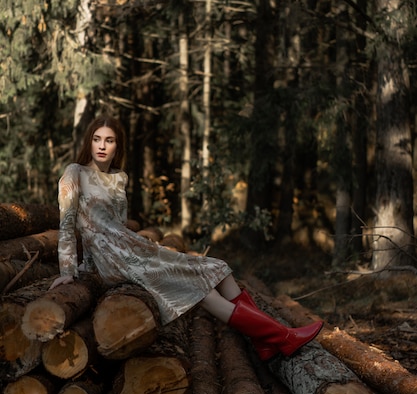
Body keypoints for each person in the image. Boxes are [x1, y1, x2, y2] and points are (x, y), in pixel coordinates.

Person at [50, 114, 323, 361]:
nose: (101, 145)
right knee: (202, 290)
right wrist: (69, 270)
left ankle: (264, 343)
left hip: (132, 249)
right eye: (97, 139)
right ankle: (283, 337)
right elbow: (68, 224)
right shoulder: (75, 173)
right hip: (113, 259)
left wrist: (145, 247)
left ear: (117, 146)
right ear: (89, 141)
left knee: (219, 268)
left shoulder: (120, 178)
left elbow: (120, 225)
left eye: (109, 140)